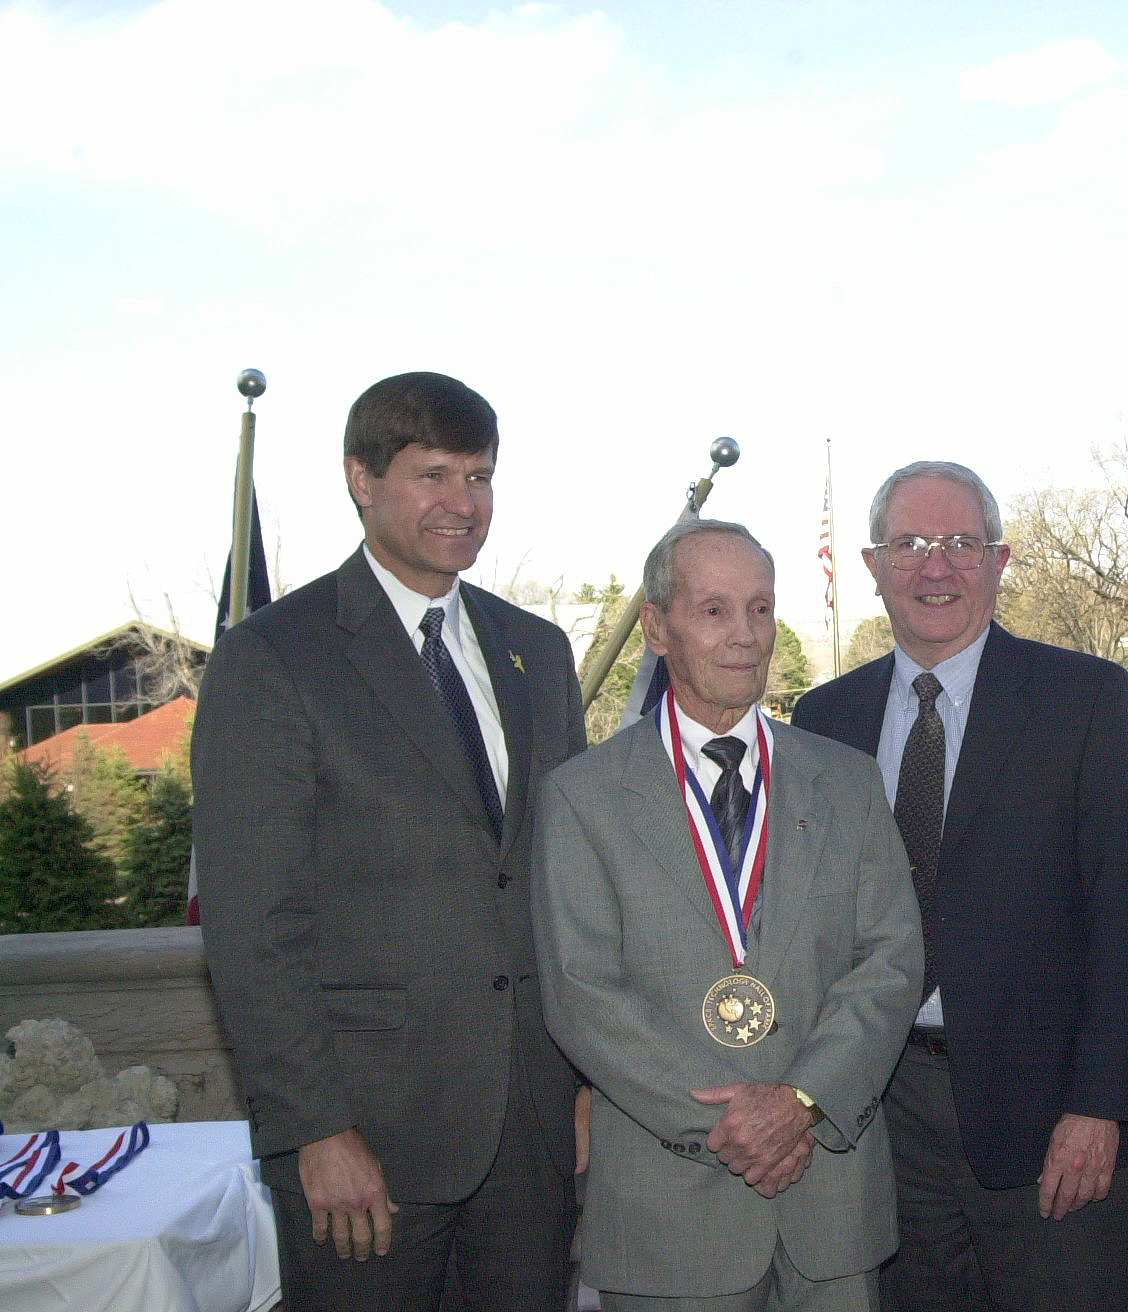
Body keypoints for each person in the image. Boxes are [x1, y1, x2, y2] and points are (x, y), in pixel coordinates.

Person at [194, 371, 588, 1312]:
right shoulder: (274, 659)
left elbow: (564, 890)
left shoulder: (537, 651)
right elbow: (254, 928)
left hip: (529, 1137)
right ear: (359, 480)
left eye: (481, 477)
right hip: (365, 1146)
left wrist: (582, 1088)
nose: (464, 504)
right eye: (434, 475)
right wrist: (314, 1129)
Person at [792, 461, 1128, 1312]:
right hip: (875, 1118)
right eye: (911, 544)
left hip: (1049, 1120)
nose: (936, 567)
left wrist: (1100, 1107)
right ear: (873, 565)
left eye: (961, 543)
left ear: (999, 562)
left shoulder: (1086, 701)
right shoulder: (823, 722)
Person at [532, 518, 923, 1311]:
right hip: (669, 1210)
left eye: (761, 609)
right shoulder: (583, 796)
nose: (746, 636)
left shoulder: (846, 783)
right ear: (656, 626)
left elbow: (891, 962)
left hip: (830, 1199)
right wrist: (741, 1124)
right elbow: (584, 995)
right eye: (714, 611)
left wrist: (802, 1102)